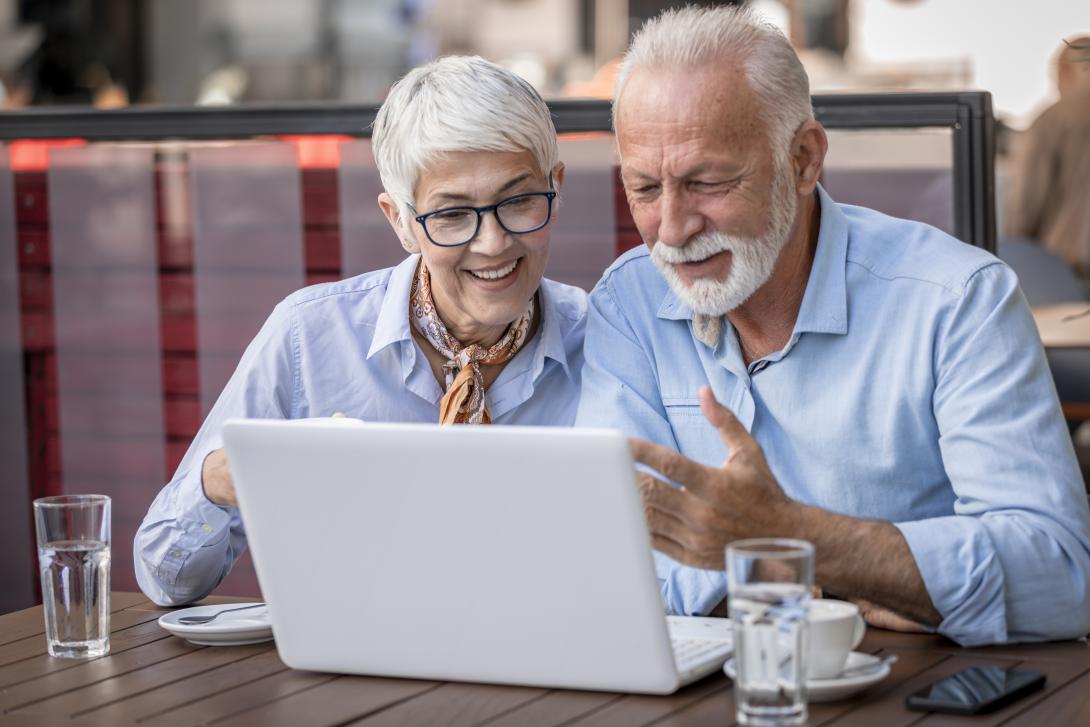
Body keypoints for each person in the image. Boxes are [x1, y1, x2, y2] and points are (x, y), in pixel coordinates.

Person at [576, 6, 1090, 646]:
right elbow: (608, 557)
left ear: (803, 159)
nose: (674, 229)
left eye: (707, 182)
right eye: (645, 189)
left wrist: (789, 537)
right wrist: (838, 573)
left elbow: (1059, 576)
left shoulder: (956, 301)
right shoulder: (628, 303)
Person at [135, 56, 586, 606]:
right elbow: (166, 578)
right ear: (399, 220)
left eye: (517, 201)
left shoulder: (609, 341)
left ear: (555, 190)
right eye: (450, 215)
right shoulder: (309, 337)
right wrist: (222, 482)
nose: (492, 243)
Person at [1005, 35, 1090, 277]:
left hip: (1069, 266)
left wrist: (1016, 250)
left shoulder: (1052, 120)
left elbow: (1027, 199)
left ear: (1064, 72)